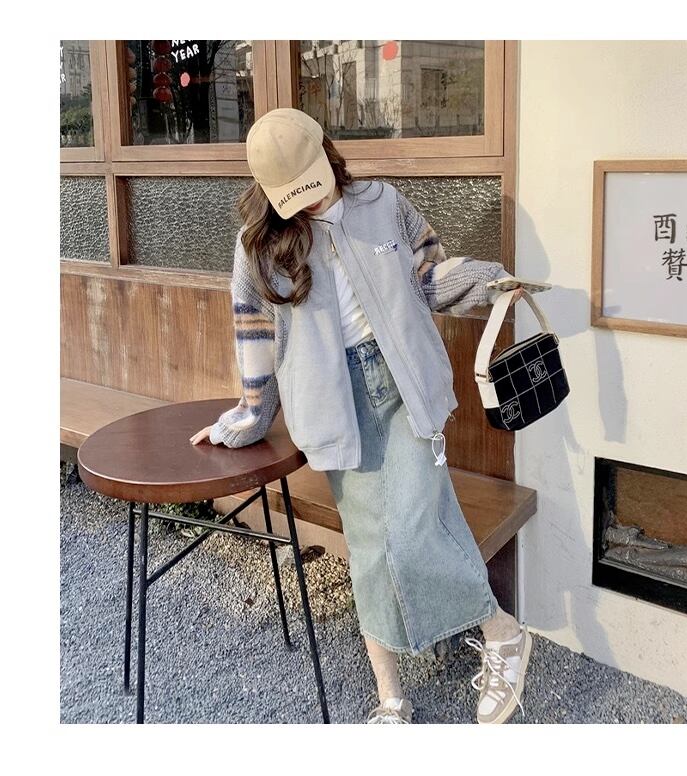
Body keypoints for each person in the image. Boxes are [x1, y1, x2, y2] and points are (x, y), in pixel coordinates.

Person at [190, 108, 533, 724]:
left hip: (403, 385)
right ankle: (391, 699)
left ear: (328, 154)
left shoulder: (383, 204)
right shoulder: (256, 248)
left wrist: (490, 282)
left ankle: (502, 633)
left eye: (313, 183)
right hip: (330, 401)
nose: (308, 201)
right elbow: (255, 341)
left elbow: (428, 275)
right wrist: (247, 418)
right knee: (370, 547)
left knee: (415, 525)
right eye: (292, 194)